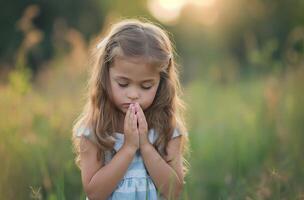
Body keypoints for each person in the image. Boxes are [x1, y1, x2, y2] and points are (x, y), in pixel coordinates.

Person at [72, 18, 189, 200]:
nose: (133, 94)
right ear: (105, 77)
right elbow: (94, 193)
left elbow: (173, 191)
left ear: (161, 83)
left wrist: (145, 145)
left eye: (146, 86)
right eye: (123, 83)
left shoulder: (167, 128)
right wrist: (128, 148)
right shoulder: (94, 130)